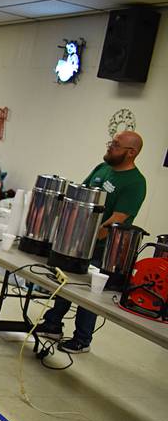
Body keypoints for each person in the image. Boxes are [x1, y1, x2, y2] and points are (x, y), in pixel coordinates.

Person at [39, 131, 147, 353]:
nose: (110, 147)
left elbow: (118, 219)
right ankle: (52, 324)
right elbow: (79, 195)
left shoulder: (136, 183)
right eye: (111, 142)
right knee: (64, 282)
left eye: (115, 145)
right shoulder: (102, 168)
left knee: (89, 295)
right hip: (77, 240)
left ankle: (82, 339)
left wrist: (87, 237)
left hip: (101, 249)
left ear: (131, 152)